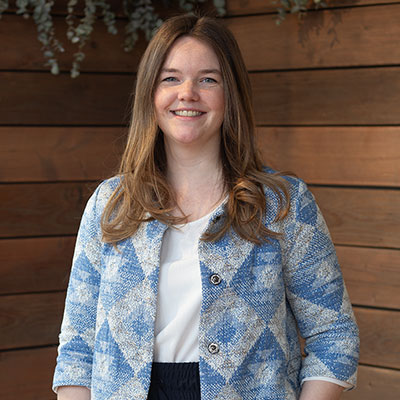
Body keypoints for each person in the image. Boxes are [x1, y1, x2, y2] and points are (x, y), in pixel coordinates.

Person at [53, 14, 359, 400]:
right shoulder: (111, 204)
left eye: (208, 79)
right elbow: (78, 348)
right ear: (151, 92)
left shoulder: (282, 205)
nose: (187, 93)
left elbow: (333, 335)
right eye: (171, 78)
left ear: (231, 94)